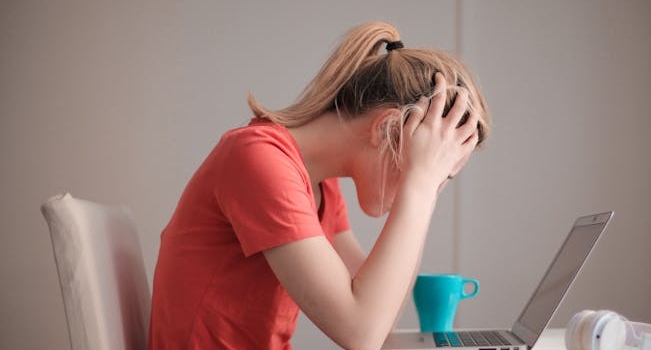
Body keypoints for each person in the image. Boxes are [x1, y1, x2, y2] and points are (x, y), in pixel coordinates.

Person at [148, 21, 490, 350]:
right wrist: (420, 186)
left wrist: (426, 192)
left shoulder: (320, 186)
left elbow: (383, 316)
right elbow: (361, 332)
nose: (428, 180)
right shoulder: (258, 160)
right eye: (429, 164)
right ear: (387, 128)